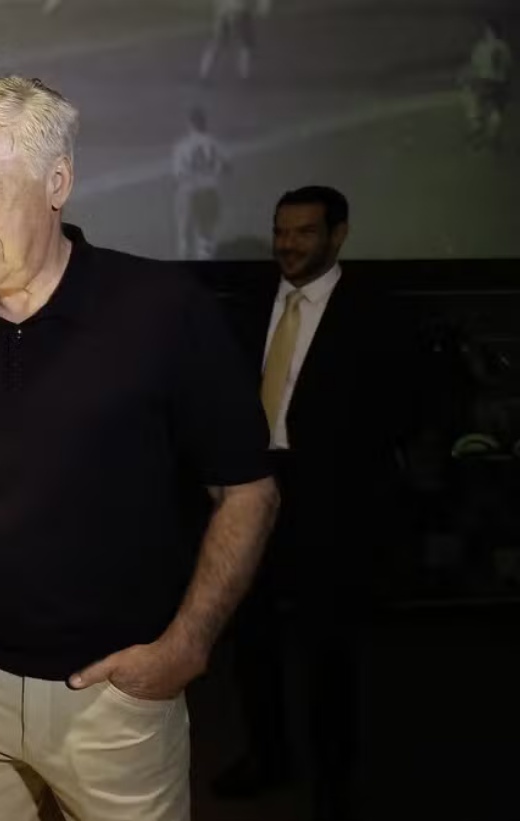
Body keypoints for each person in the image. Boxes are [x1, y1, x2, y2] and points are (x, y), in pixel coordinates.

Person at [0, 76, 280, 821]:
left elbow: (249, 491)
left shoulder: (166, 311)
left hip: (116, 695)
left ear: (57, 182)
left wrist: (185, 646)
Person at [212, 186, 405, 821]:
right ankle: (267, 756)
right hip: (252, 489)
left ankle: (333, 782)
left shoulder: (374, 314)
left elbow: (394, 417)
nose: (288, 244)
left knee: (327, 650)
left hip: (331, 500)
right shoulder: (248, 306)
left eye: (303, 233)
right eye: (281, 231)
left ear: (338, 235)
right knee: (252, 635)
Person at [171, 106, 231, 260]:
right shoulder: (215, 144)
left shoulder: (183, 145)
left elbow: (178, 175)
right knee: (206, 237)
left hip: (190, 193)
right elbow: (227, 167)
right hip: (210, 193)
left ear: (190, 123)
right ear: (205, 123)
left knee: (185, 236)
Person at [459, 19, 512, 151]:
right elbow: (508, 66)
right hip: (500, 83)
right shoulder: (504, 47)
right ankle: (494, 134)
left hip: (484, 82)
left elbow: (474, 67)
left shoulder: (481, 47)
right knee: (496, 110)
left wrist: (468, 80)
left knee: (475, 105)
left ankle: (477, 128)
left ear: (488, 32)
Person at [199, 0, 272, 82]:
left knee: (219, 42)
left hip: (226, 11)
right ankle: (244, 72)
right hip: (238, 11)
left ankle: (205, 72)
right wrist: (262, 7)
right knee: (245, 42)